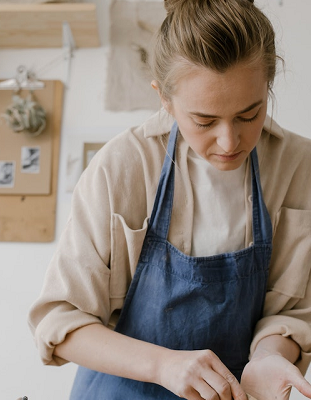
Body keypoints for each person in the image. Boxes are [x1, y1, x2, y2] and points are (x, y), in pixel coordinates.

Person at [28, 0, 311, 399]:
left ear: (269, 83)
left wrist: (267, 356)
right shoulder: (122, 166)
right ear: (164, 98)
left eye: (250, 115)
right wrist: (163, 364)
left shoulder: (300, 166)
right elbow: (58, 321)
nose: (230, 142)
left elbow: (292, 313)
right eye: (204, 121)